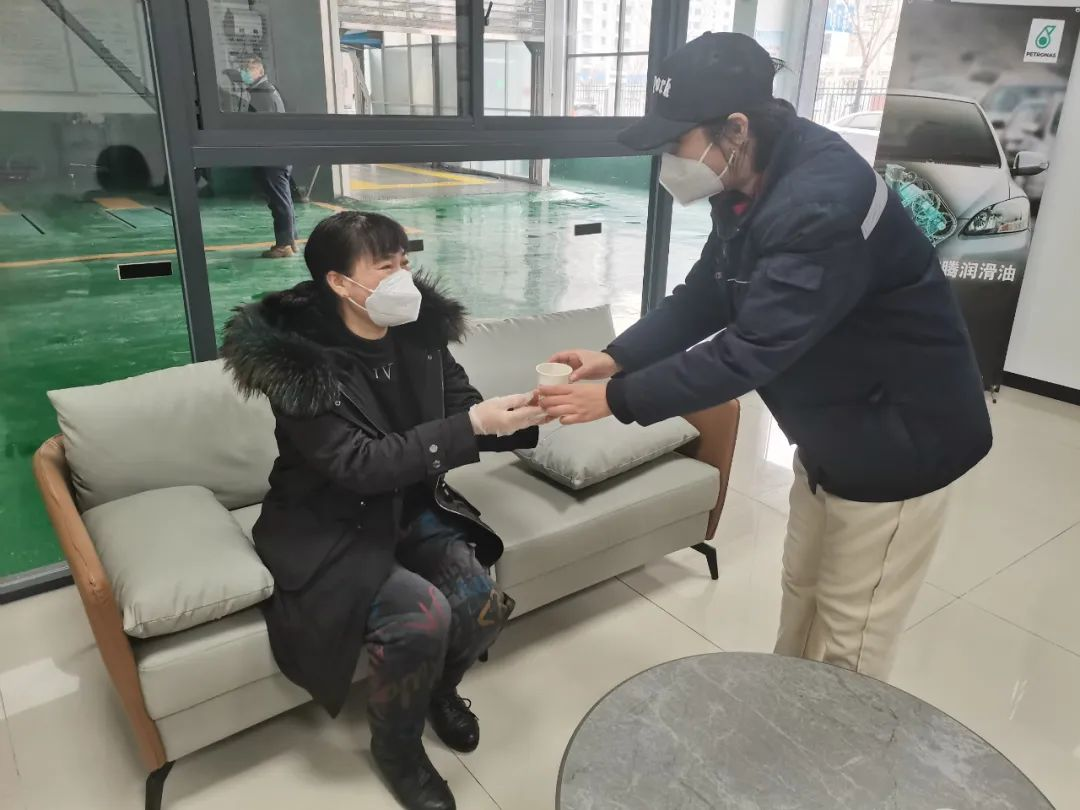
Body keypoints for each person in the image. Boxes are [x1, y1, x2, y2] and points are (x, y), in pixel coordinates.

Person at [541, 33, 992, 680]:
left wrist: (615, 400)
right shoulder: (747, 175)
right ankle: (787, 720)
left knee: (851, 637)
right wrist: (615, 358)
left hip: (899, 440)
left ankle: (833, 741)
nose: (668, 162)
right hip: (834, 424)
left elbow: (747, 352)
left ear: (736, 128)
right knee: (802, 592)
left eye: (675, 143)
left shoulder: (818, 203)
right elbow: (709, 292)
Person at [222, 211, 546, 810]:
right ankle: (397, 750)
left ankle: (437, 691)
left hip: (409, 505)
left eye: (404, 262)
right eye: (385, 267)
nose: (403, 278)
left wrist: (526, 414)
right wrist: (471, 426)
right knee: (421, 619)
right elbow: (358, 464)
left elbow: (463, 406)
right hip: (330, 523)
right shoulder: (301, 367)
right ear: (339, 282)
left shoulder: (419, 334)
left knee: (481, 606)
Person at [237, 55, 298, 258]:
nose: (244, 72)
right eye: (243, 68)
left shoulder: (263, 94)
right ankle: (290, 241)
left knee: (279, 201)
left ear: (260, 72)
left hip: (273, 154)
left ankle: (284, 245)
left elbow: (265, 127)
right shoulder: (262, 91)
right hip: (276, 153)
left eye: (249, 68)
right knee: (282, 200)